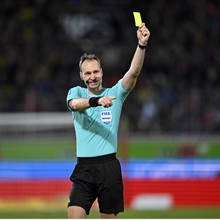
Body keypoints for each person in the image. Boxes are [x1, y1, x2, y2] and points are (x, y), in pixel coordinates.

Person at [66, 23, 150, 218]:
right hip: (84, 169)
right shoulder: (76, 92)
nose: (92, 77)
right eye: (88, 73)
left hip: (109, 168)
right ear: (81, 76)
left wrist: (141, 45)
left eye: (96, 72)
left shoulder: (115, 94)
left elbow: (133, 73)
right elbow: (75, 104)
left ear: (102, 72)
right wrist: (96, 101)